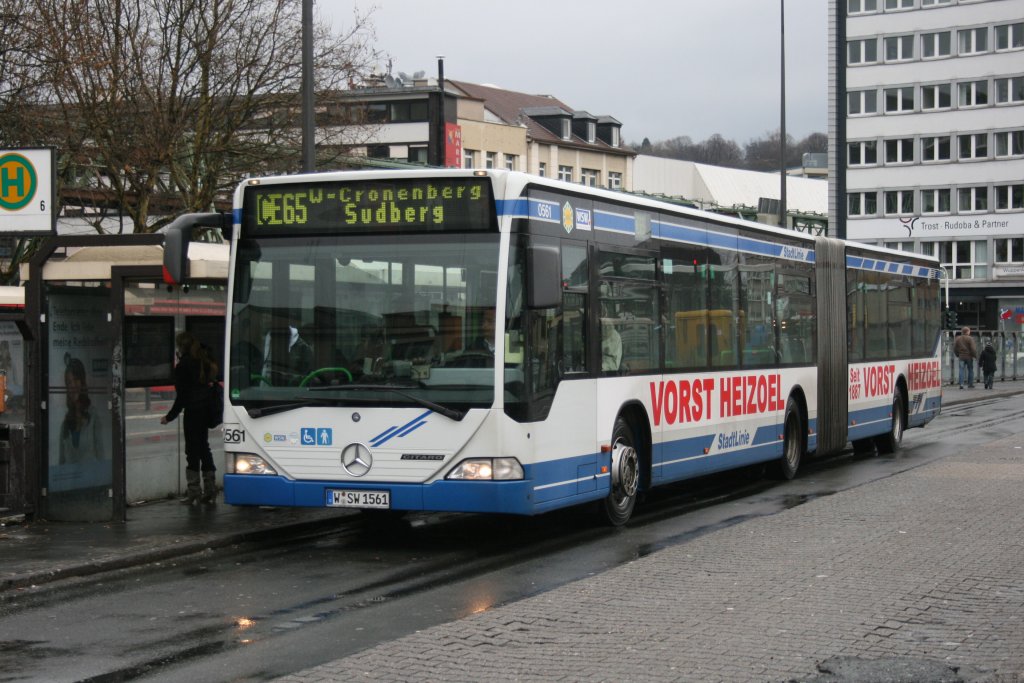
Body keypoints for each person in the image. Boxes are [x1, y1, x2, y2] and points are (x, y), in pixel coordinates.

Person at [161, 331, 218, 505]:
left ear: (180, 347)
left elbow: (182, 397)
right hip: (206, 411)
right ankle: (210, 490)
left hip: (193, 413)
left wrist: (169, 417)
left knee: (192, 451)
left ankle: (194, 492)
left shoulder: (183, 366)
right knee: (204, 448)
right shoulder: (203, 361)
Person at [59, 354, 105, 464]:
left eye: (75, 380)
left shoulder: (93, 417)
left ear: (82, 382)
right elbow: (61, 462)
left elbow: (101, 457)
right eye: (69, 382)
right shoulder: (65, 424)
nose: (72, 386)